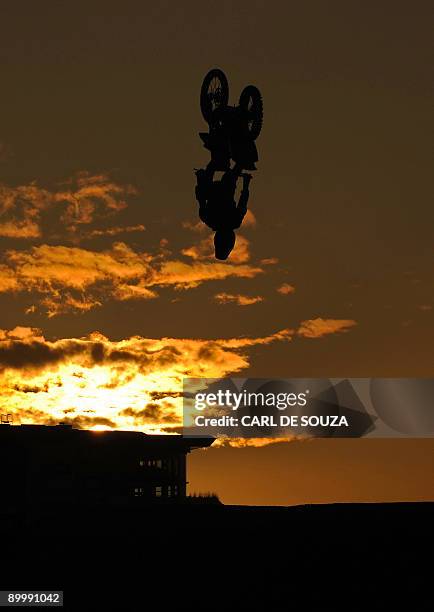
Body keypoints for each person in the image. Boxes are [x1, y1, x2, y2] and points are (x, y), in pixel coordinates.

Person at [195, 162, 252, 260]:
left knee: (233, 168)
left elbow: (243, 201)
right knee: (234, 168)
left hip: (220, 188)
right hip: (220, 188)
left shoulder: (232, 221)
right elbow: (201, 199)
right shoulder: (210, 220)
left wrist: (246, 184)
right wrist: (200, 179)